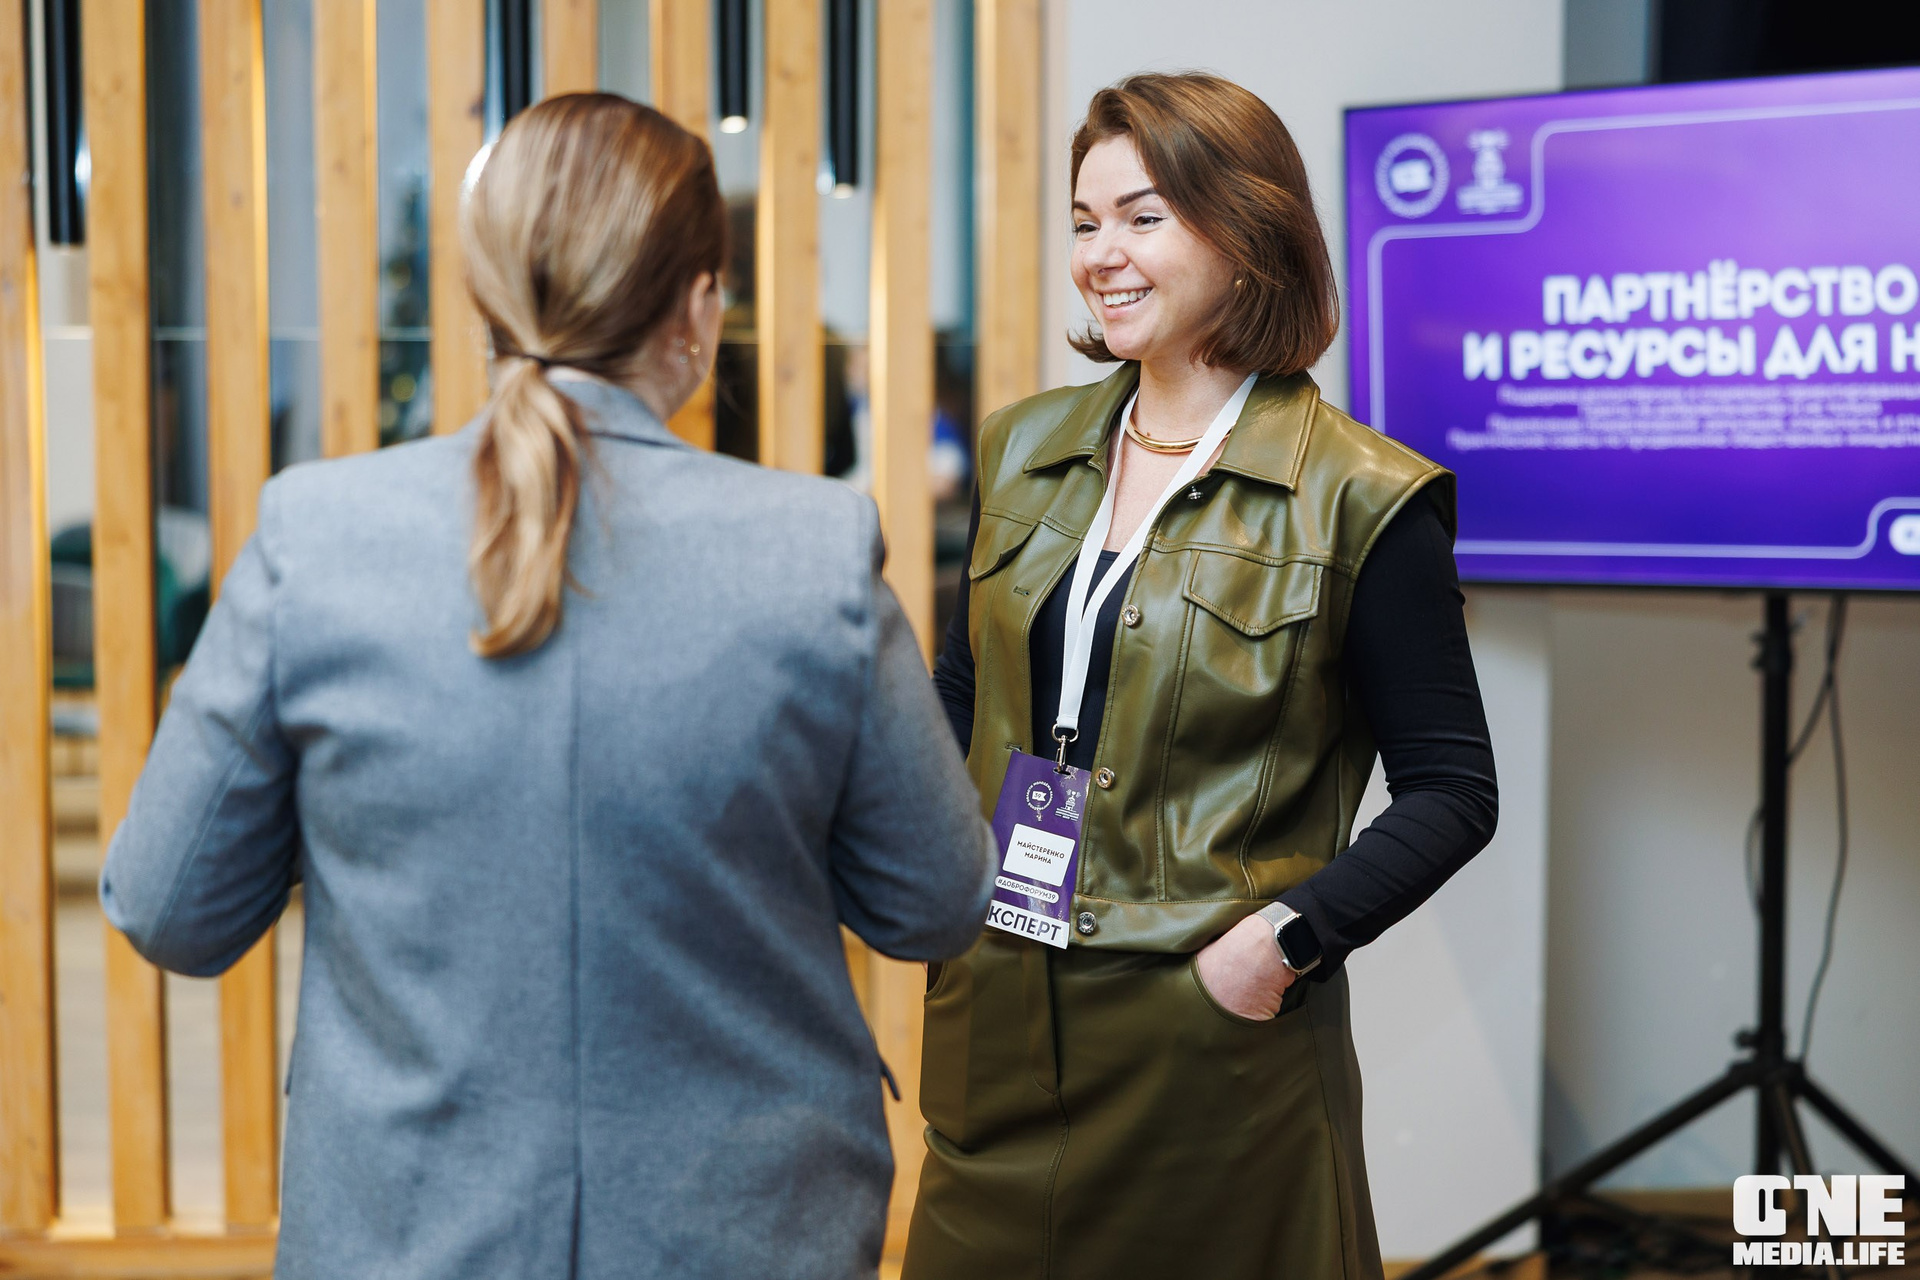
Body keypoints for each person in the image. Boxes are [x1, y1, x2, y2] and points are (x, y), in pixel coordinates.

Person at [100, 94, 996, 1280]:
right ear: (698, 307)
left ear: (485, 295)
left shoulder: (315, 535)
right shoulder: (812, 550)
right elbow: (935, 901)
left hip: (403, 1231)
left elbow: (171, 908)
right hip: (744, 1234)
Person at [905, 73, 1499, 1280]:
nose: (1100, 254)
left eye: (1143, 217)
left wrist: (1279, 944)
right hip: (999, 1019)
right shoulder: (1021, 448)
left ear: (1245, 230)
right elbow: (966, 690)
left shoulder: (1365, 497)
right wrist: (946, 882)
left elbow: (1453, 790)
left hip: (1210, 1047)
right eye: (1085, 221)